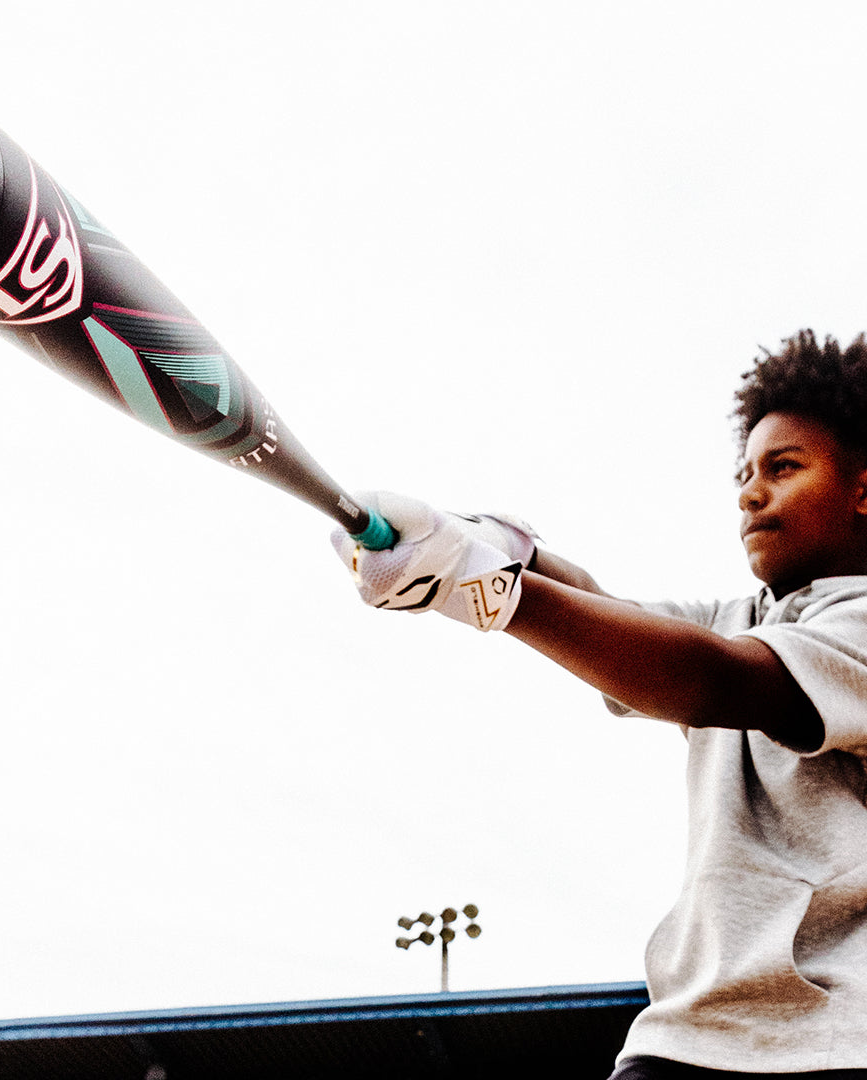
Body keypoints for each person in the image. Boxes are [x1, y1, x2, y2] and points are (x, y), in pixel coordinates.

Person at [332, 330, 867, 1078]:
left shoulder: (853, 619)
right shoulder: (742, 617)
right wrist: (483, 540)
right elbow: (611, 617)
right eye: (745, 472)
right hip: (684, 1039)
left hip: (830, 1045)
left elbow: (712, 679)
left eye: (783, 467)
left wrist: (488, 589)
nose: (750, 492)